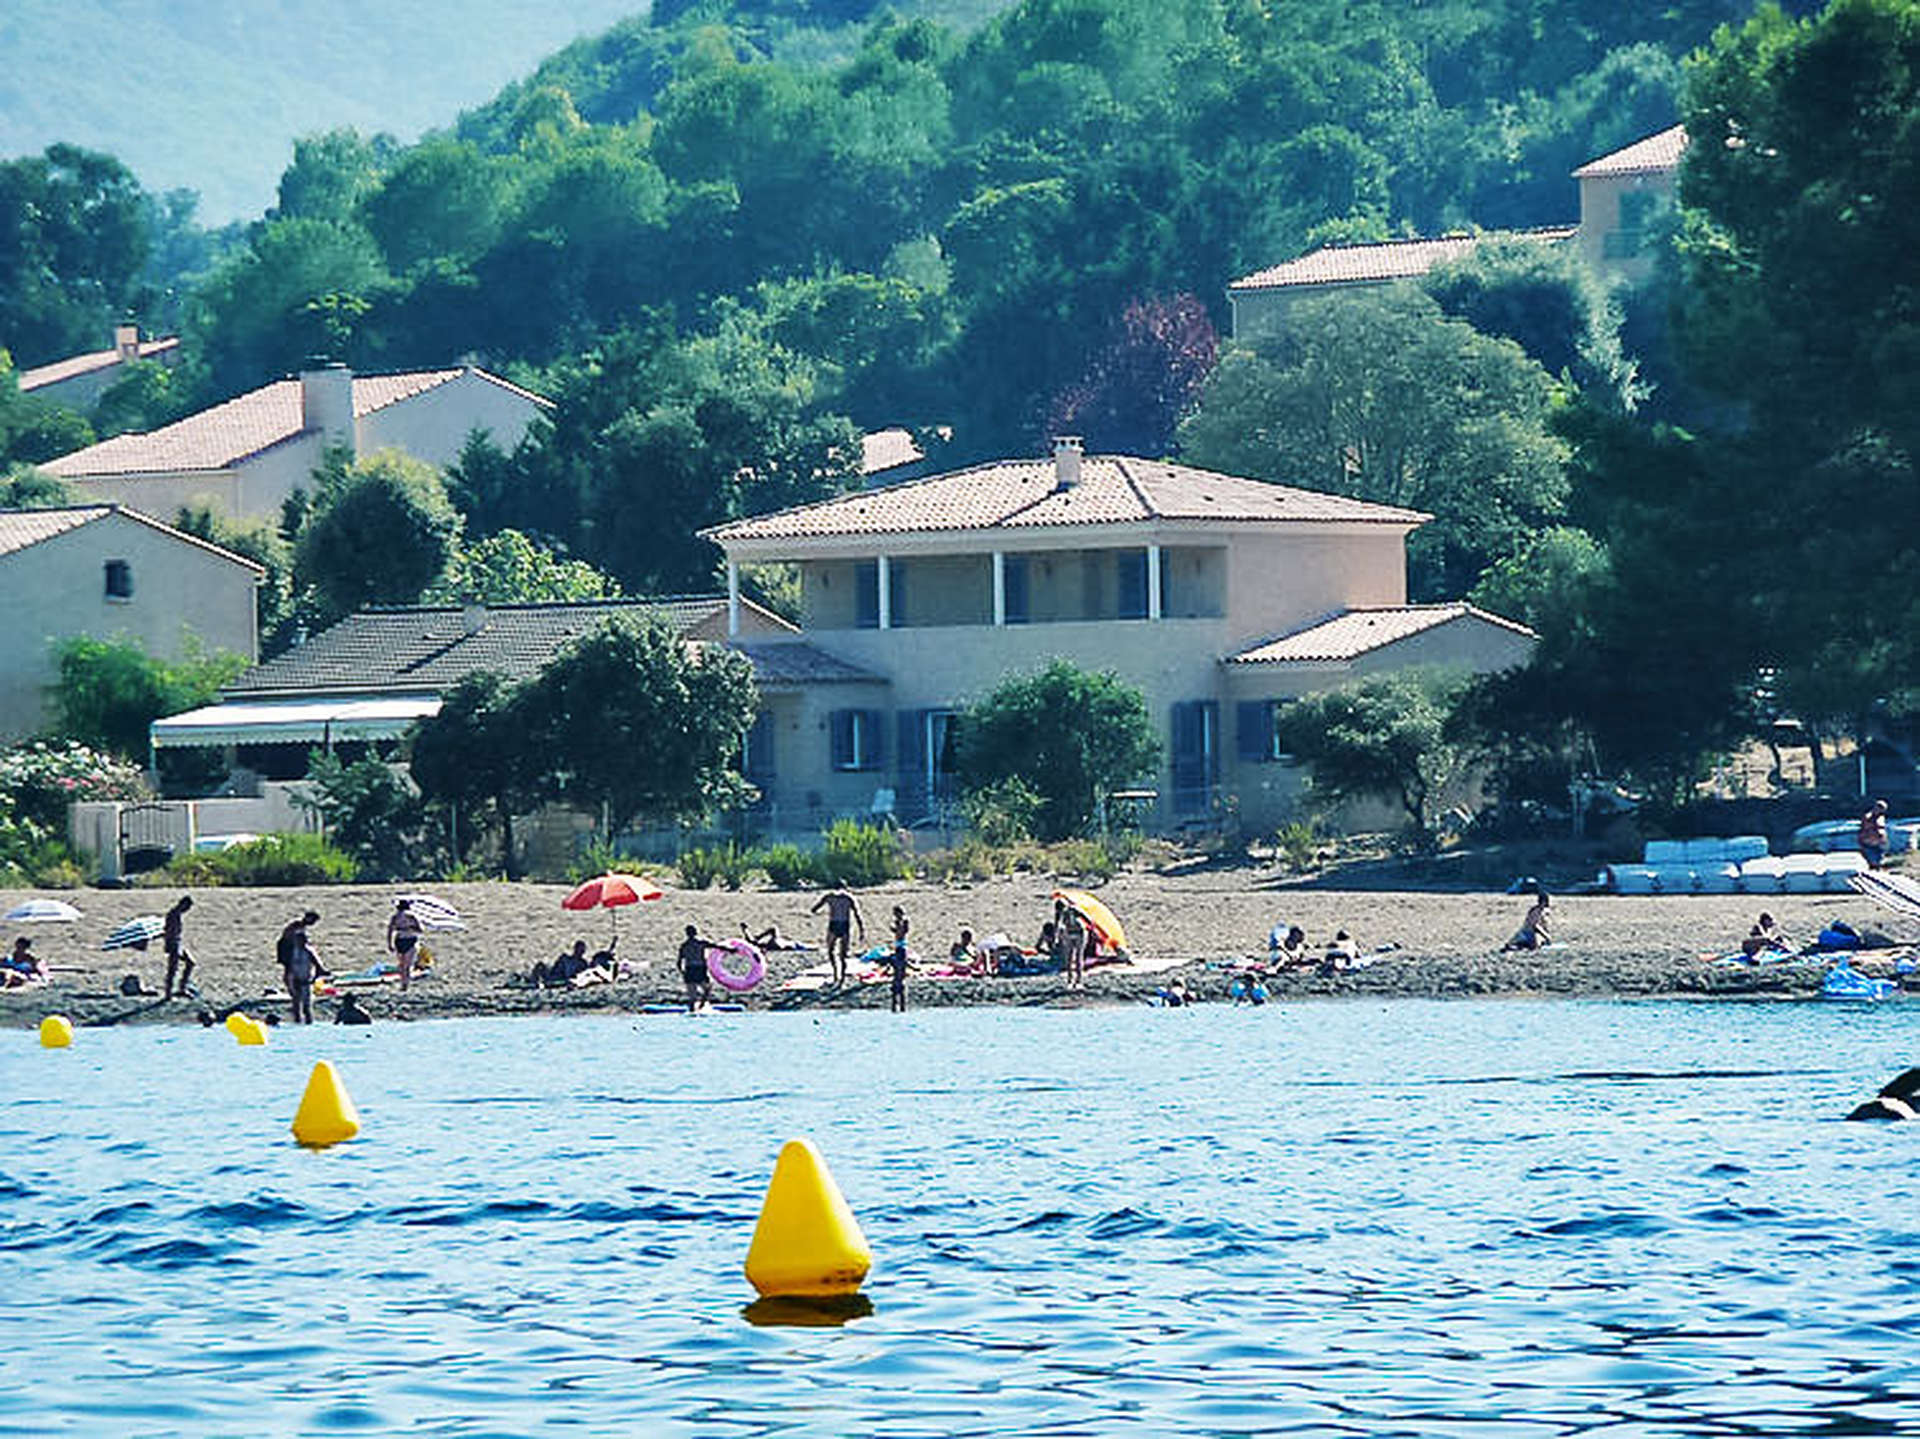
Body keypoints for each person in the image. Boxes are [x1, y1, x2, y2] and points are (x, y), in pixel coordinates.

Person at [810, 887, 864, 986]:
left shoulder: (830, 896)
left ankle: (836, 974)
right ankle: (841, 977)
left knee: (831, 951)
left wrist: (821, 910)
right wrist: (861, 930)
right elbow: (857, 914)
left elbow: (814, 909)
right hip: (844, 925)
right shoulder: (848, 897)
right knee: (843, 955)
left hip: (834, 924)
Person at [278, 911, 325, 1024]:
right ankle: (299, 1021)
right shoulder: (296, 928)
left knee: (303, 1004)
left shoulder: (306, 949)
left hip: (302, 977)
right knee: (297, 1002)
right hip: (295, 974)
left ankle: (303, 1022)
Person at [386, 898, 423, 992]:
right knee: (405, 965)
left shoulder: (399, 917)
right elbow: (420, 930)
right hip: (406, 940)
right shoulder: (410, 916)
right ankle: (405, 983)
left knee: (403, 965)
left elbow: (390, 931)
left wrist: (389, 943)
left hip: (402, 940)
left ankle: (404, 983)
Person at [162, 894, 195, 999]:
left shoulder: (176, 914)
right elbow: (168, 932)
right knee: (173, 969)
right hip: (174, 944)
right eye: (187, 907)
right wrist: (170, 946)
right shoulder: (173, 915)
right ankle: (169, 993)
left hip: (178, 943)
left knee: (190, 963)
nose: (187, 909)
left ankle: (181, 988)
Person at [678, 925, 712, 1012]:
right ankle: (701, 1005)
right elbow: (716, 946)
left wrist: (683, 972)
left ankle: (694, 1010)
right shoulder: (701, 943)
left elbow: (679, 962)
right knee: (707, 989)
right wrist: (730, 949)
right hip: (699, 969)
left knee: (692, 995)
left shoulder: (684, 946)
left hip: (690, 969)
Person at [1059, 901, 1088, 989]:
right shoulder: (1062, 914)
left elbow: (1088, 919)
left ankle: (1078, 980)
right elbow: (1059, 925)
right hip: (1069, 933)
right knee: (1069, 957)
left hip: (1080, 933)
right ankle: (1070, 980)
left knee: (1078, 956)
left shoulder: (1075, 910)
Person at [887, 905, 910, 1012]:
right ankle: (897, 1004)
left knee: (899, 975)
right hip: (899, 947)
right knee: (897, 974)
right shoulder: (900, 921)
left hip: (901, 948)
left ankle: (900, 1004)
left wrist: (896, 928)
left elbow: (902, 932)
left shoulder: (903, 921)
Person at [1859, 799, 1890, 870]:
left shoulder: (1881, 817)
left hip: (1879, 842)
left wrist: (1884, 839)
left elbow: (1882, 828)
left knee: (1879, 859)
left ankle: (1877, 868)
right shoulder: (1868, 817)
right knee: (1872, 860)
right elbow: (1865, 828)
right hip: (1868, 841)